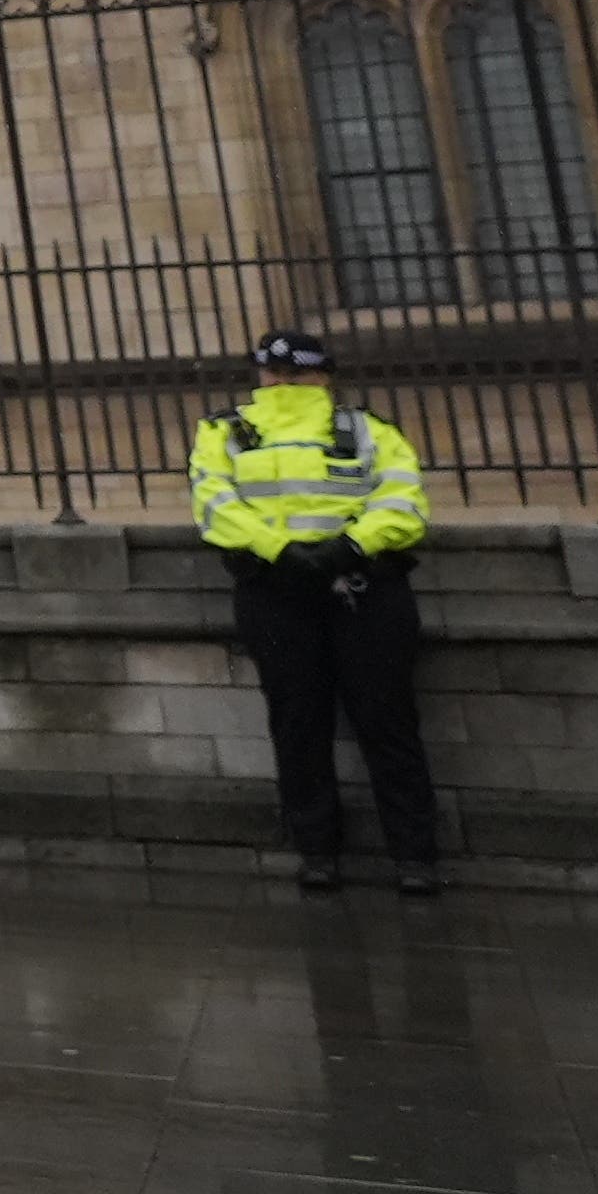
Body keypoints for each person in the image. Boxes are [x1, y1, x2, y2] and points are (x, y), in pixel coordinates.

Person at [194, 328, 440, 895]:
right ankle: (343, 854)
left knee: (374, 725)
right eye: (274, 373)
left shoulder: (363, 427)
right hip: (300, 590)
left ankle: (396, 855)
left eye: (293, 374)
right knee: (314, 726)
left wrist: (342, 549)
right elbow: (214, 504)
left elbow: (403, 501)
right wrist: (306, 552)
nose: (281, 383)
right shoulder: (226, 429)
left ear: (323, 375)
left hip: (352, 586)